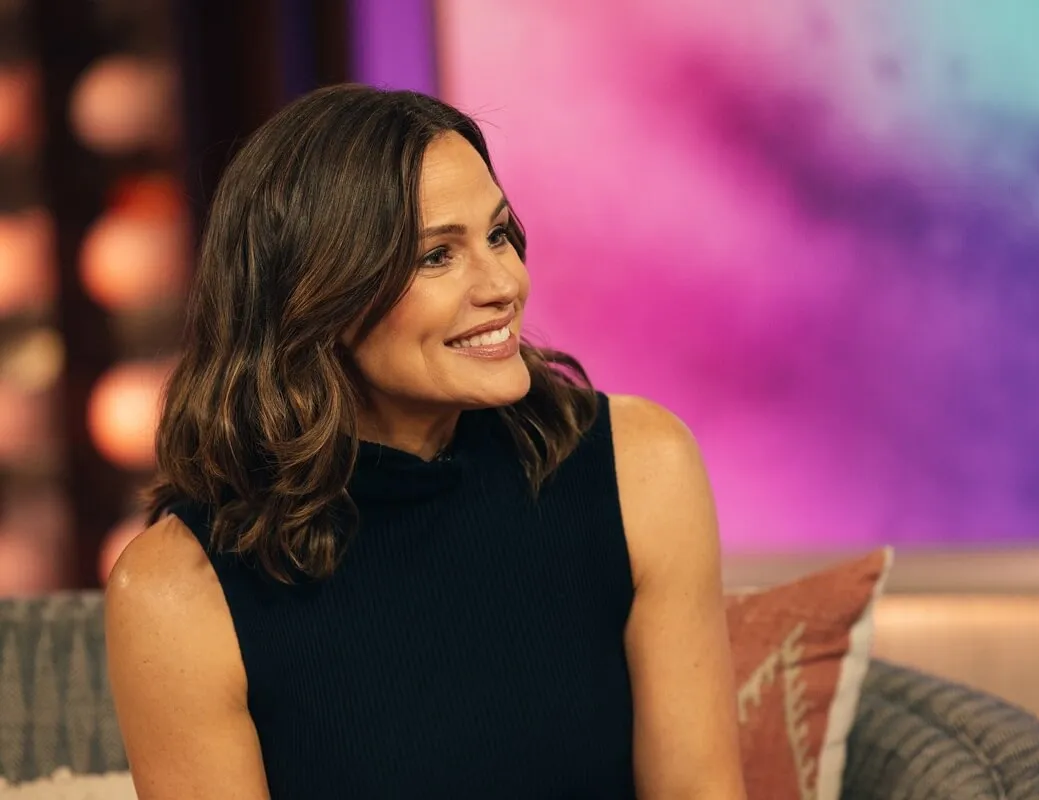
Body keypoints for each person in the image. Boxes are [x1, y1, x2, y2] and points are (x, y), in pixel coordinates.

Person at [105, 84, 746, 799]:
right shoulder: (173, 593)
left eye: (497, 235)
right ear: (316, 301)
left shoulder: (641, 467)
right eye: (437, 256)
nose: (505, 283)